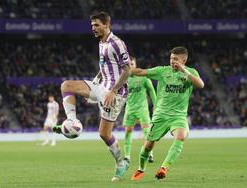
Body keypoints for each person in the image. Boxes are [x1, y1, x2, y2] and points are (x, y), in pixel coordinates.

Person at [53, 11, 131, 181]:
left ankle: (121, 163)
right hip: (101, 86)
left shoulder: (117, 43)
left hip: (115, 94)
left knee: (104, 134)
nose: (93, 28)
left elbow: (127, 70)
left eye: (96, 25)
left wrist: (113, 91)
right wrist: (94, 84)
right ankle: (72, 121)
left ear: (106, 24)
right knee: (66, 85)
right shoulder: (101, 43)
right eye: (92, 25)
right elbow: (104, 68)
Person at [130, 46, 204, 180]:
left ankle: (164, 168)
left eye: (175, 59)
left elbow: (200, 85)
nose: (172, 61)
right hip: (160, 116)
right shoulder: (162, 71)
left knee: (181, 136)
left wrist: (184, 70)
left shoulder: (191, 72)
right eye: (171, 58)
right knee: (148, 146)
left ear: (184, 60)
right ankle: (141, 169)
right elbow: (141, 71)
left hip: (178, 116)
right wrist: (126, 70)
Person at [123, 56, 156, 163]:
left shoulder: (143, 78)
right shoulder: (124, 79)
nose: (130, 66)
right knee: (128, 132)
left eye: (132, 64)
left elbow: (151, 91)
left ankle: (149, 154)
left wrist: (155, 105)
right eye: (128, 64)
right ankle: (127, 156)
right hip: (130, 109)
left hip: (142, 109)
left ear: (135, 65)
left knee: (146, 131)